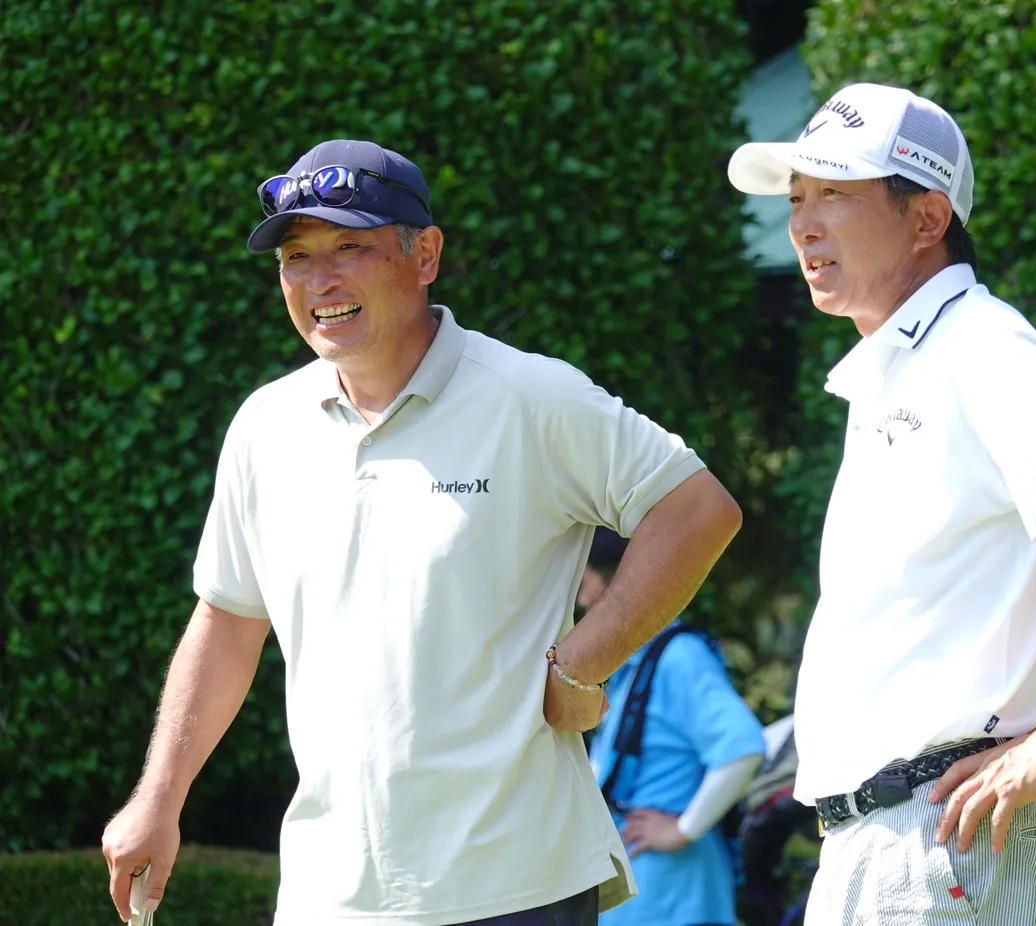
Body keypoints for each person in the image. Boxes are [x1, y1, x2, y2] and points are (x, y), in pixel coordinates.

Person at [100, 139, 743, 926]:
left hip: (516, 886)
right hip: (329, 897)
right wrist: (159, 797)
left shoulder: (531, 396)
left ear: (426, 255)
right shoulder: (265, 426)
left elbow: (697, 510)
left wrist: (582, 664)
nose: (320, 280)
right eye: (297, 257)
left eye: (351, 248)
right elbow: (229, 620)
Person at [727, 83, 1036, 924]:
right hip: (892, 840)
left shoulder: (982, 344)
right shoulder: (907, 361)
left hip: (946, 836)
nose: (803, 225)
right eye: (796, 198)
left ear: (928, 218)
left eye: (834, 194)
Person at [580, 528, 766, 926]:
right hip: (646, 901)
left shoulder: (680, 656)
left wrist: (683, 829)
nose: (580, 601)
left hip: (675, 900)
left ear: (618, 582)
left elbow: (743, 745)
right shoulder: (636, 663)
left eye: (583, 584)